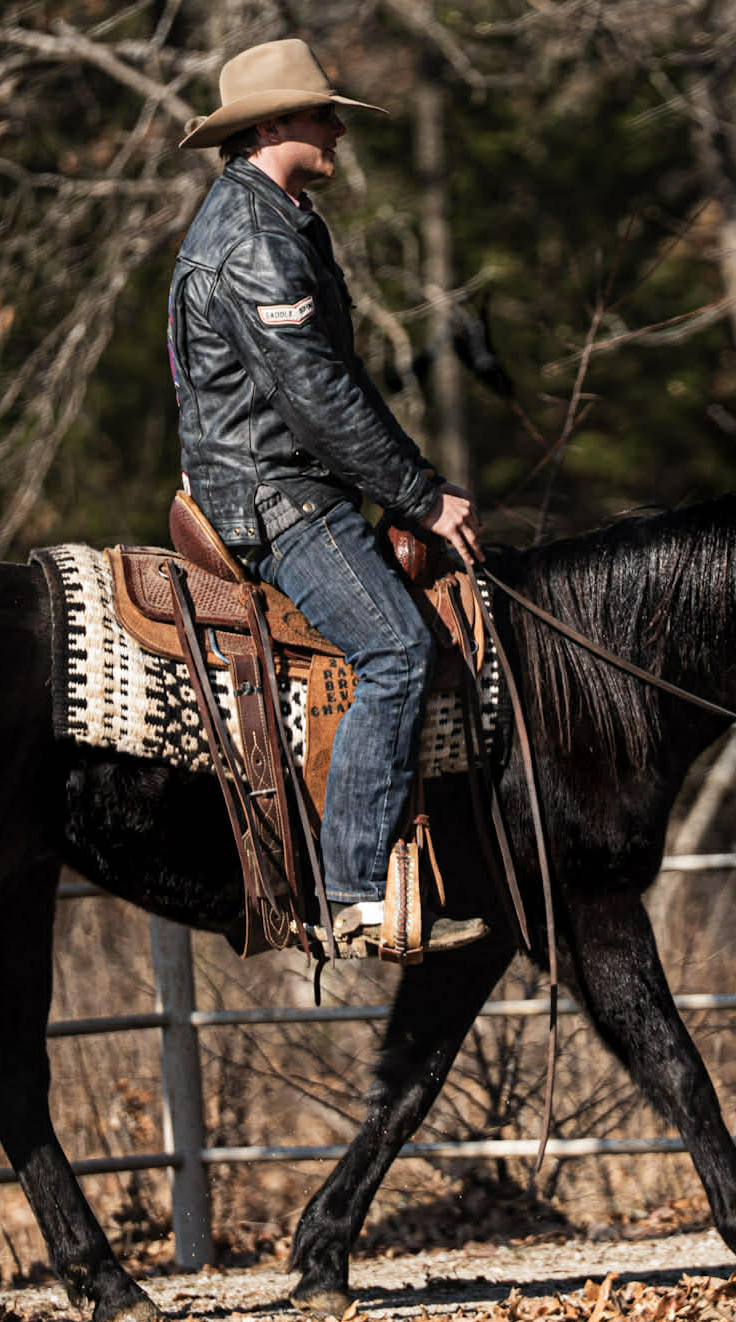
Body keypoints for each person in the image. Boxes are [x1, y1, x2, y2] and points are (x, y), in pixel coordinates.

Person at [168, 38, 486, 955]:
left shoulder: (279, 218)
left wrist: (409, 486)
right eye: (321, 113)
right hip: (275, 497)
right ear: (273, 127)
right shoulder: (256, 239)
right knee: (395, 649)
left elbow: (333, 385)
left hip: (285, 479)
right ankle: (352, 892)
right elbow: (318, 397)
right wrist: (421, 497)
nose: (337, 125)